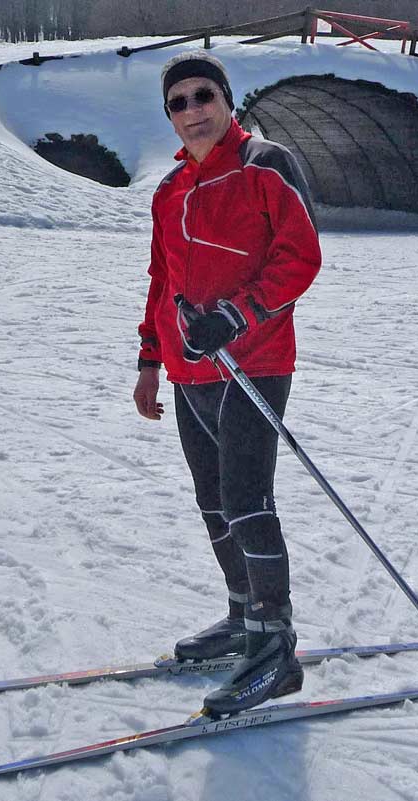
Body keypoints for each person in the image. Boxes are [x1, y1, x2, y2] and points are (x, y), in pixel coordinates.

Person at [132, 51, 323, 716]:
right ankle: (244, 615)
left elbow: (300, 256)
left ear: (226, 99)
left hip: (254, 363)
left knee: (246, 497)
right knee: (213, 500)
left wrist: (238, 315)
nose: (193, 111)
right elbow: (162, 280)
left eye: (203, 95)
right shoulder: (169, 190)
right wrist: (150, 359)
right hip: (189, 370)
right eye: (178, 102)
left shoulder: (265, 165)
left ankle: (274, 646)